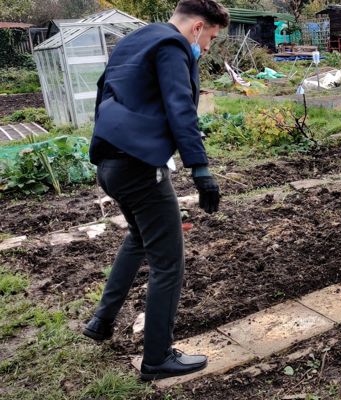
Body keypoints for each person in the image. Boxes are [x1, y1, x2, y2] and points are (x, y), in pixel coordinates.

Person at [82, 0, 228, 381]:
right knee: (169, 262)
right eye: (210, 37)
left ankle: (102, 320)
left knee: (138, 239)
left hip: (110, 163)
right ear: (197, 27)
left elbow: (104, 92)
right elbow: (181, 107)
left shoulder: (135, 41)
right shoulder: (172, 46)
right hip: (138, 168)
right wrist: (201, 169)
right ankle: (157, 358)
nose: (208, 48)